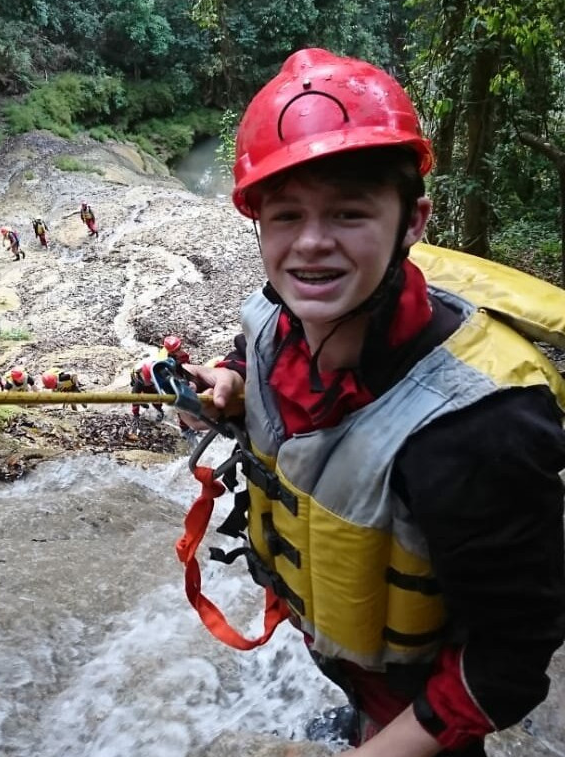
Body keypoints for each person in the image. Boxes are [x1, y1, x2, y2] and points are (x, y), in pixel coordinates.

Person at [177, 48, 565, 757]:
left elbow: (510, 661)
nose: (311, 245)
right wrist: (232, 386)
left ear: (413, 221)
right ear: (258, 225)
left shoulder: (483, 430)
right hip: (348, 649)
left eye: (350, 213)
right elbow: (266, 360)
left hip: (426, 692)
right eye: (286, 215)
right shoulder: (272, 321)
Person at [129, 359, 164, 424]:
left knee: (156, 398)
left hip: (149, 382)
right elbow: (134, 401)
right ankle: (143, 403)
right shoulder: (138, 383)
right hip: (140, 383)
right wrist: (136, 415)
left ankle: (159, 410)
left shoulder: (157, 372)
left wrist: (159, 408)